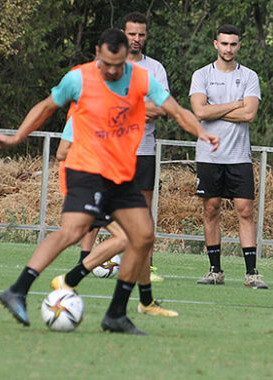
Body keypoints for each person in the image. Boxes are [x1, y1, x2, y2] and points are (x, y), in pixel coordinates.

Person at [0, 28, 218, 334]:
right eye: (107, 63)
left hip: (121, 174)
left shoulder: (139, 78)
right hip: (86, 170)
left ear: (127, 57)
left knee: (142, 236)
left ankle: (116, 314)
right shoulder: (79, 79)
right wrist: (18, 136)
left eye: (119, 64)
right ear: (98, 52)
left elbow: (175, 110)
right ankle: (18, 289)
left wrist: (201, 132)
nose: (112, 70)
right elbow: (46, 107)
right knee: (72, 231)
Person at [52, 120, 178, 318]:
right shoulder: (84, 112)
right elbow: (62, 152)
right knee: (125, 238)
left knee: (142, 234)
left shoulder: (110, 110)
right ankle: (69, 279)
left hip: (112, 184)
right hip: (92, 187)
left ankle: (146, 301)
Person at [189, 24, 267, 289]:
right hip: (209, 156)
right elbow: (199, 112)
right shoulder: (201, 75)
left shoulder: (249, 76)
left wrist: (215, 109)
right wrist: (236, 103)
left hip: (239, 156)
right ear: (215, 44)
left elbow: (249, 115)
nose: (228, 49)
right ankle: (215, 270)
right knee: (211, 210)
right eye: (224, 44)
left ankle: (252, 273)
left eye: (233, 44)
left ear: (239, 46)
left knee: (245, 211)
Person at [123, 11, 169, 284]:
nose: (137, 39)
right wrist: (142, 107)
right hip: (112, 150)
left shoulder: (155, 69)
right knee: (101, 206)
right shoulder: (110, 65)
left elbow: (161, 108)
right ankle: (87, 259)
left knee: (144, 210)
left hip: (144, 149)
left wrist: (125, 108)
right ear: (123, 34)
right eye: (132, 34)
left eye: (141, 34)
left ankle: (147, 266)